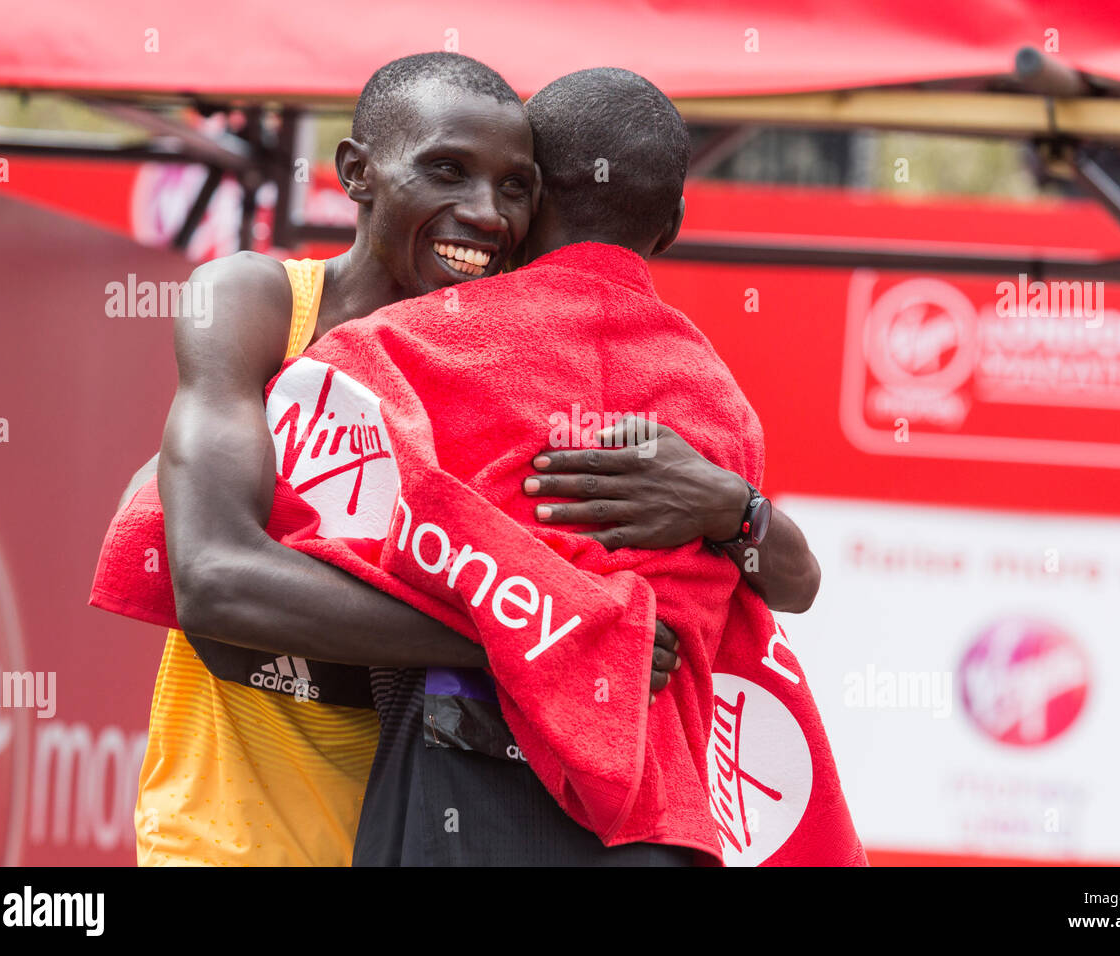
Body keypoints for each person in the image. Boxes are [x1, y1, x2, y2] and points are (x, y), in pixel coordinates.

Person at [124, 53, 818, 866]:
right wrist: (544, 634)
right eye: (447, 171)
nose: (486, 214)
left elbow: (786, 585)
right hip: (229, 840)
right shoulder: (258, 305)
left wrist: (731, 506)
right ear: (357, 171)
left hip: (407, 831)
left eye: (516, 187)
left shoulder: (518, 368)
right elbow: (210, 578)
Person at [335, 67, 821, 866]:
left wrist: (522, 622)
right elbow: (789, 586)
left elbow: (247, 549)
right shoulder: (724, 407)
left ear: (529, 204)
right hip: (653, 813)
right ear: (672, 224)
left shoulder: (405, 350)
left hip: (451, 787)